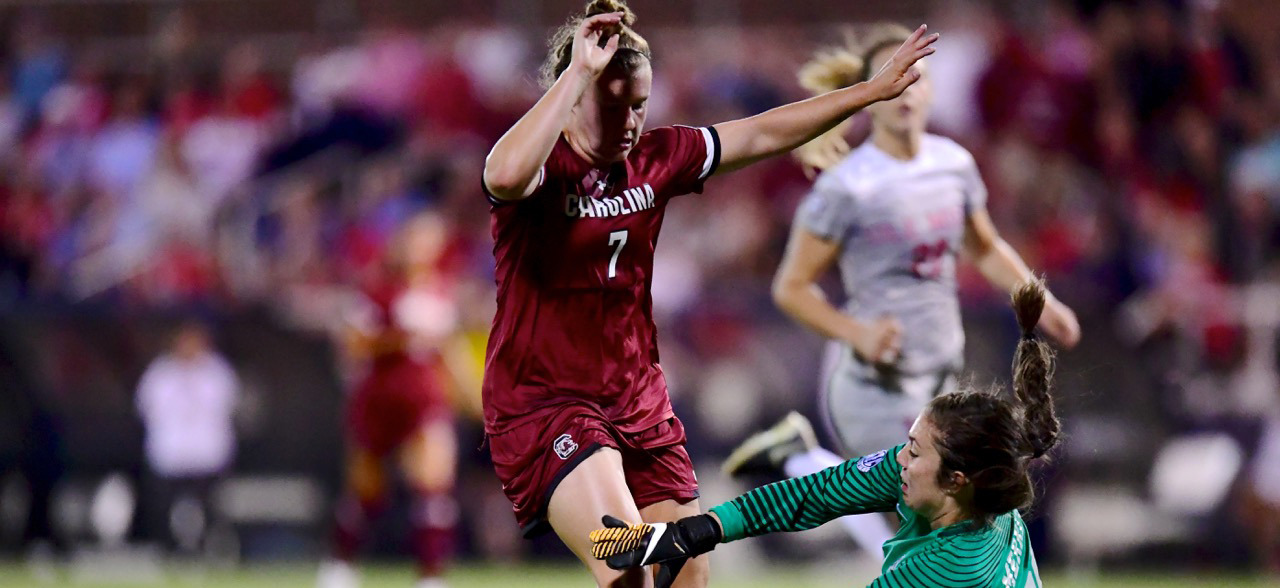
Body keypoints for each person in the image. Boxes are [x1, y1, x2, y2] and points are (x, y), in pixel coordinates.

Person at [479, 1, 938, 586]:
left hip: (636, 398)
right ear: (574, 97)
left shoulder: (657, 158)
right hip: (546, 402)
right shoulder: (544, 166)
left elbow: (765, 131)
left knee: (687, 578)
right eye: (612, 104)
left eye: (639, 106)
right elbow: (503, 175)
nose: (629, 122)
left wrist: (867, 94)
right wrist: (576, 77)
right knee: (627, 567)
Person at [720, 23, 1081, 558]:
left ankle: (800, 458)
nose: (907, 91)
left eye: (917, 78)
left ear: (933, 89)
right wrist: (856, 333)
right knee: (917, 520)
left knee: (924, 520)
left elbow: (982, 246)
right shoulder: (846, 186)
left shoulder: (953, 165)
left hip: (938, 372)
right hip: (872, 380)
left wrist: (1039, 298)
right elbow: (790, 288)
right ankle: (802, 463)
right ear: (870, 95)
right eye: (894, 79)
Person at [591, 279, 1059, 588]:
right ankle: (800, 455)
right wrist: (697, 530)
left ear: (956, 481)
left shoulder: (953, 571)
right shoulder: (952, 487)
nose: (902, 458)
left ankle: (800, 452)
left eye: (916, 452)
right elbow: (819, 495)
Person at [318, 212, 466, 588]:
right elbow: (353, 344)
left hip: (424, 399)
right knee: (365, 492)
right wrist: (402, 338)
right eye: (419, 239)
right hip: (379, 399)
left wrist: (472, 391)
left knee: (434, 487)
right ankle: (341, 564)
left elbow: (447, 349)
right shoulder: (377, 290)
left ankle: (431, 576)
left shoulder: (442, 290)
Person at [136, 321, 239, 555]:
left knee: (211, 508)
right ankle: (168, 551)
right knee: (165, 509)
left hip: (207, 454)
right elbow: (146, 409)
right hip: (171, 455)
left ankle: (209, 552)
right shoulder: (160, 373)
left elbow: (228, 407)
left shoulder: (217, 372)